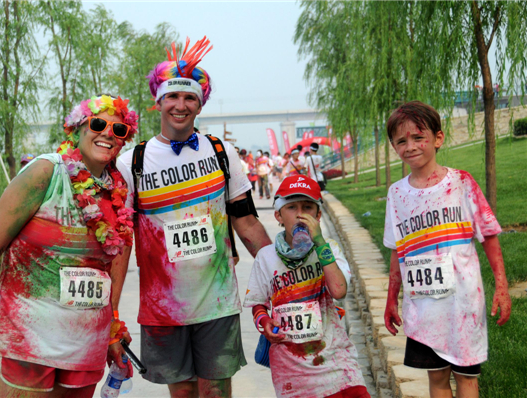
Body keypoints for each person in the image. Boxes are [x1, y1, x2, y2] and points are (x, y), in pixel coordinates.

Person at [0, 94, 139, 397]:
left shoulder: (118, 192)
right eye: (98, 124)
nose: (108, 134)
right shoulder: (45, 172)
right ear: (78, 129)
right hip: (26, 341)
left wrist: (113, 328)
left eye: (119, 130)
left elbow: (109, 271)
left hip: (85, 345)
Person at [116, 37, 272, 398]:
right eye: (172, 96)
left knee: (215, 393)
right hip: (162, 308)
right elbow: (121, 243)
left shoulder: (221, 152)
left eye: (190, 98)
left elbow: (246, 223)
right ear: (158, 102)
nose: (180, 105)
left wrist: (281, 275)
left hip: (217, 302)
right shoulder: (132, 164)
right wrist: (110, 311)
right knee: (182, 395)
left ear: (200, 105)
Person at [383, 101, 511, 398]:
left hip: (463, 302)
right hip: (424, 305)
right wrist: (391, 298)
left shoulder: (461, 183)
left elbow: (489, 236)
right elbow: (395, 249)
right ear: (393, 146)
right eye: (401, 141)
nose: (410, 146)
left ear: (438, 139)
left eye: (418, 137)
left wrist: (502, 286)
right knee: (437, 379)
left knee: (466, 379)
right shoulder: (396, 194)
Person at [244, 175, 369, 398]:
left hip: (335, 361)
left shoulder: (329, 249)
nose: (300, 214)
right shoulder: (266, 257)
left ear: (318, 215)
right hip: (291, 368)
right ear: (278, 216)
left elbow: (339, 291)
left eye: (308, 207)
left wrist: (320, 243)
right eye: (291, 207)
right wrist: (265, 323)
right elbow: (257, 304)